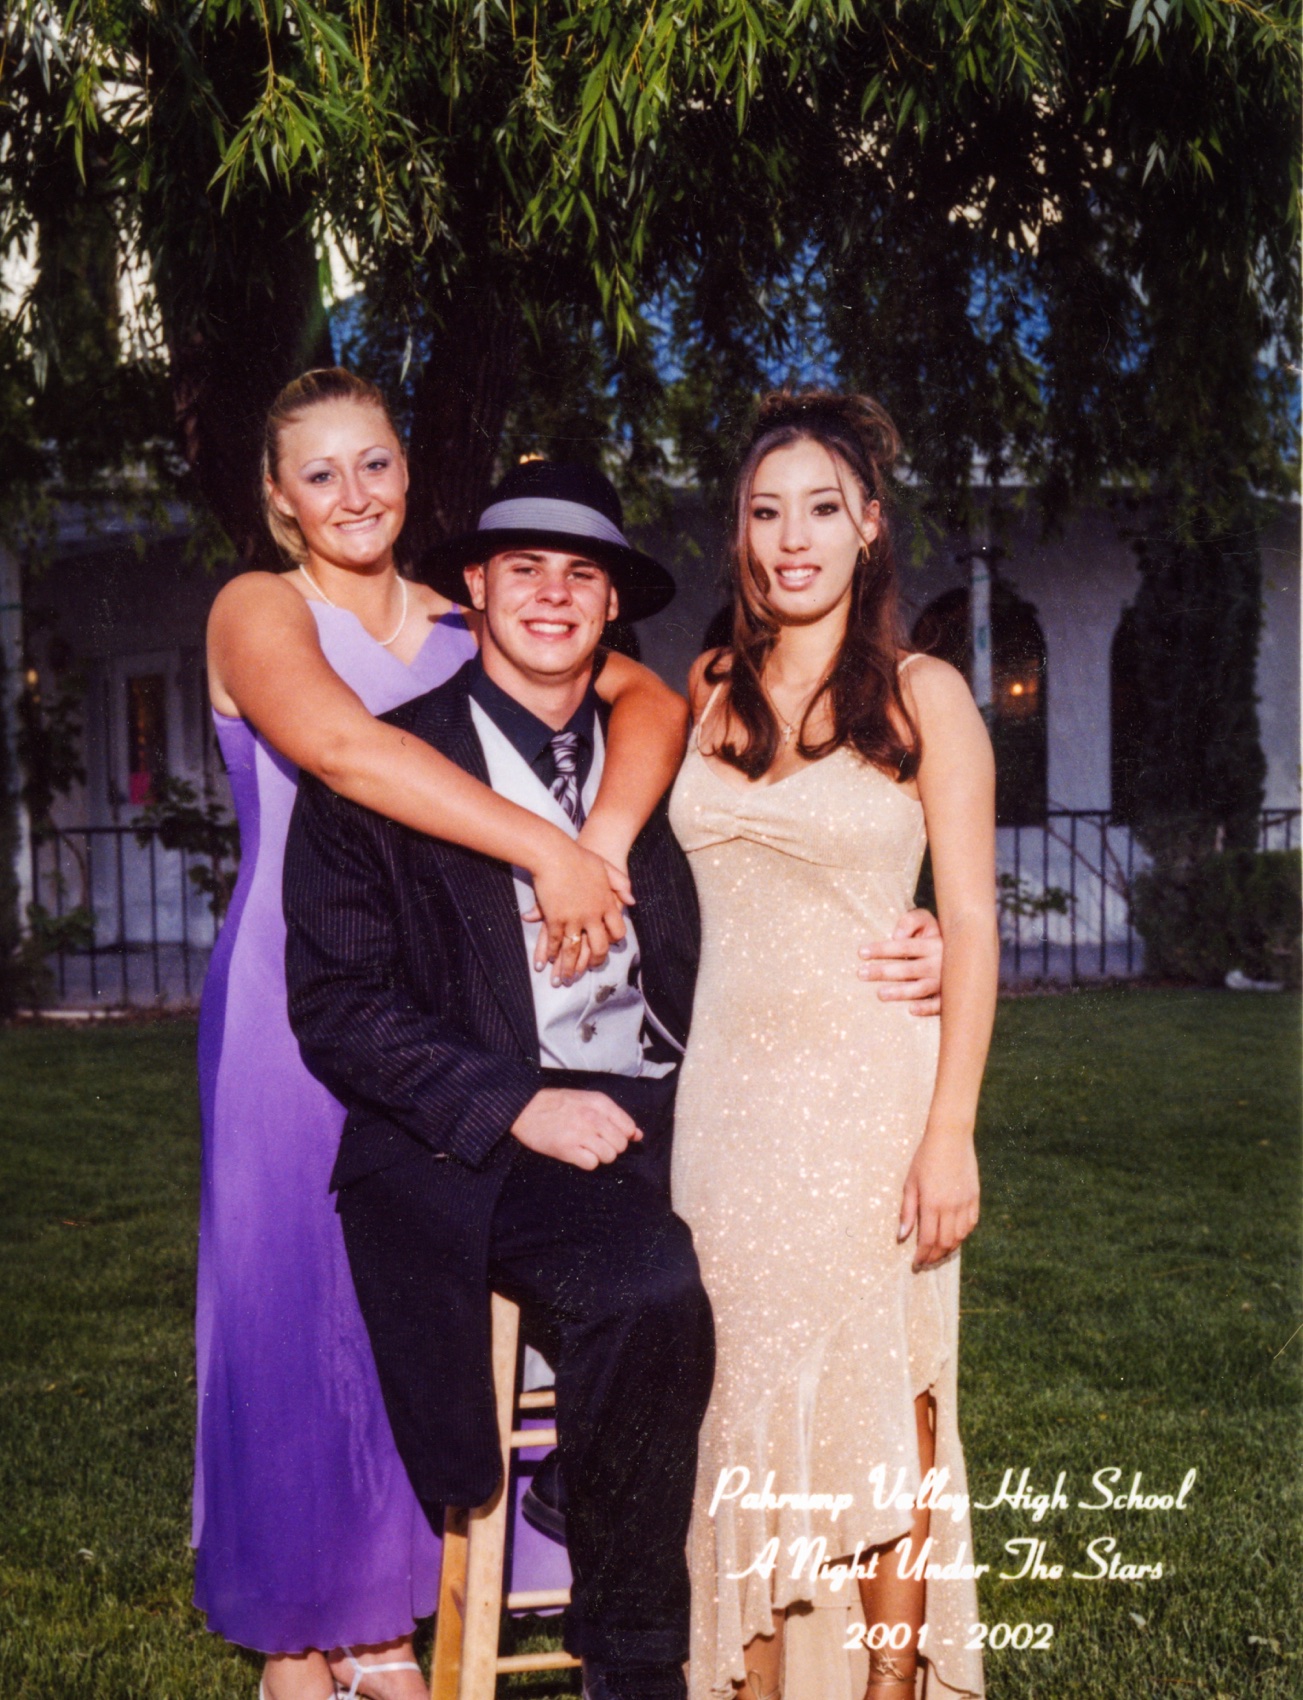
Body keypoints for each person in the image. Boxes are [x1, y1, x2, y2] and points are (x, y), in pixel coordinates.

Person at [197, 371, 690, 1700]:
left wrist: (602, 837)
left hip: (447, 1001)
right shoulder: (258, 608)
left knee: (409, 1304)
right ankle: (294, 1637)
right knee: (295, 1308)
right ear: (277, 496)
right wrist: (547, 848)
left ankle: (385, 1624)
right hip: (294, 1002)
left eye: (375, 463)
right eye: (319, 472)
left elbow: (651, 702)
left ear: (409, 473)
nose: (353, 493)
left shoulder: (464, 615)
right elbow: (345, 752)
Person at [668, 391, 997, 1700]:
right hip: (726, 1111)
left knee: (883, 1396)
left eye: (821, 508)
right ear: (740, 533)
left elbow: (972, 922)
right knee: (738, 1397)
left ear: (869, 524)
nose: (792, 538)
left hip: (870, 1103)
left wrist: (951, 1133)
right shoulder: (705, 687)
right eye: (766, 512)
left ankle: (887, 1687)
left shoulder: (926, 696)